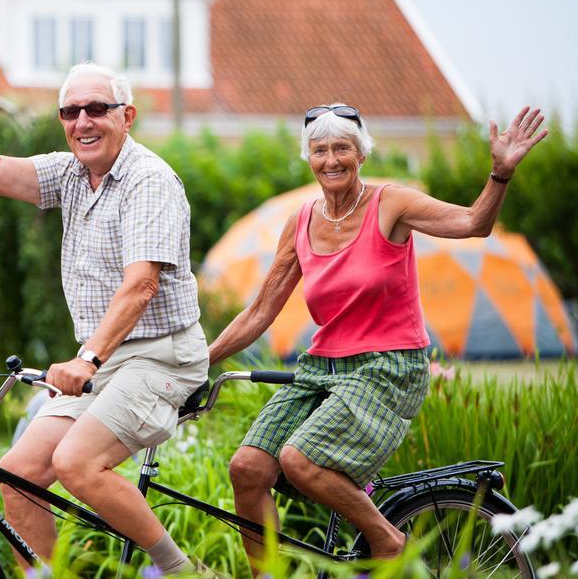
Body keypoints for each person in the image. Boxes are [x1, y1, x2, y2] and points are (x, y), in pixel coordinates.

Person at [207, 103, 546, 572]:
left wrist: (499, 174)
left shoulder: (391, 204)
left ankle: (389, 541)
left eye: (342, 148)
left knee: (300, 460)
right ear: (308, 158)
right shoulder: (301, 221)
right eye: (319, 150)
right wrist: (200, 360)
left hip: (387, 366)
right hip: (322, 367)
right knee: (247, 468)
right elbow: (261, 311)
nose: (331, 160)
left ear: (360, 154)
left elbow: (474, 223)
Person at [0, 36, 211, 575]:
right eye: (71, 111)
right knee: (18, 476)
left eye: (97, 108)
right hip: (106, 359)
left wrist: (87, 360)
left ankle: (180, 571)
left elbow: (141, 285)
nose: (84, 121)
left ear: (126, 116)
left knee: (76, 463)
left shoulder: (148, 180)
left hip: (160, 357)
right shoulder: (71, 173)